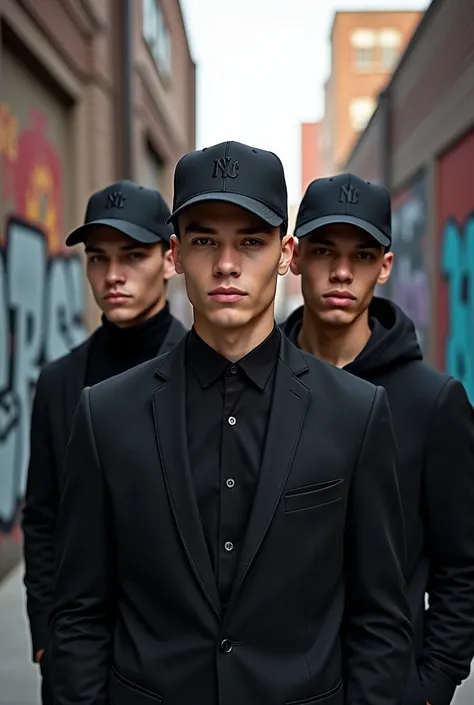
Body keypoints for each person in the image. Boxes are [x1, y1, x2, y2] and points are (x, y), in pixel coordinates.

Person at [48, 142, 412, 705]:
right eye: (203, 240)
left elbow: (379, 621)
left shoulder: (356, 412)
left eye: (250, 241)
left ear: (286, 253)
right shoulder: (105, 414)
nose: (225, 263)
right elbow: (79, 614)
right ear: (174, 253)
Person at [282, 172, 474, 705]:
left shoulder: (433, 403)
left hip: (387, 689)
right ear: (294, 256)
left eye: (362, 255)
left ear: (385, 266)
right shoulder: (258, 385)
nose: (341, 272)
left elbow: (462, 566)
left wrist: (431, 685)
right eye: (324, 251)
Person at [22, 179, 186, 705]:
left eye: (133, 256)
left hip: (176, 654)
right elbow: (44, 516)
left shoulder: (207, 372)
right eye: (98, 258)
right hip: (80, 654)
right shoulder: (59, 382)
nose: (113, 275)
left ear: (169, 258)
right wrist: (45, 632)